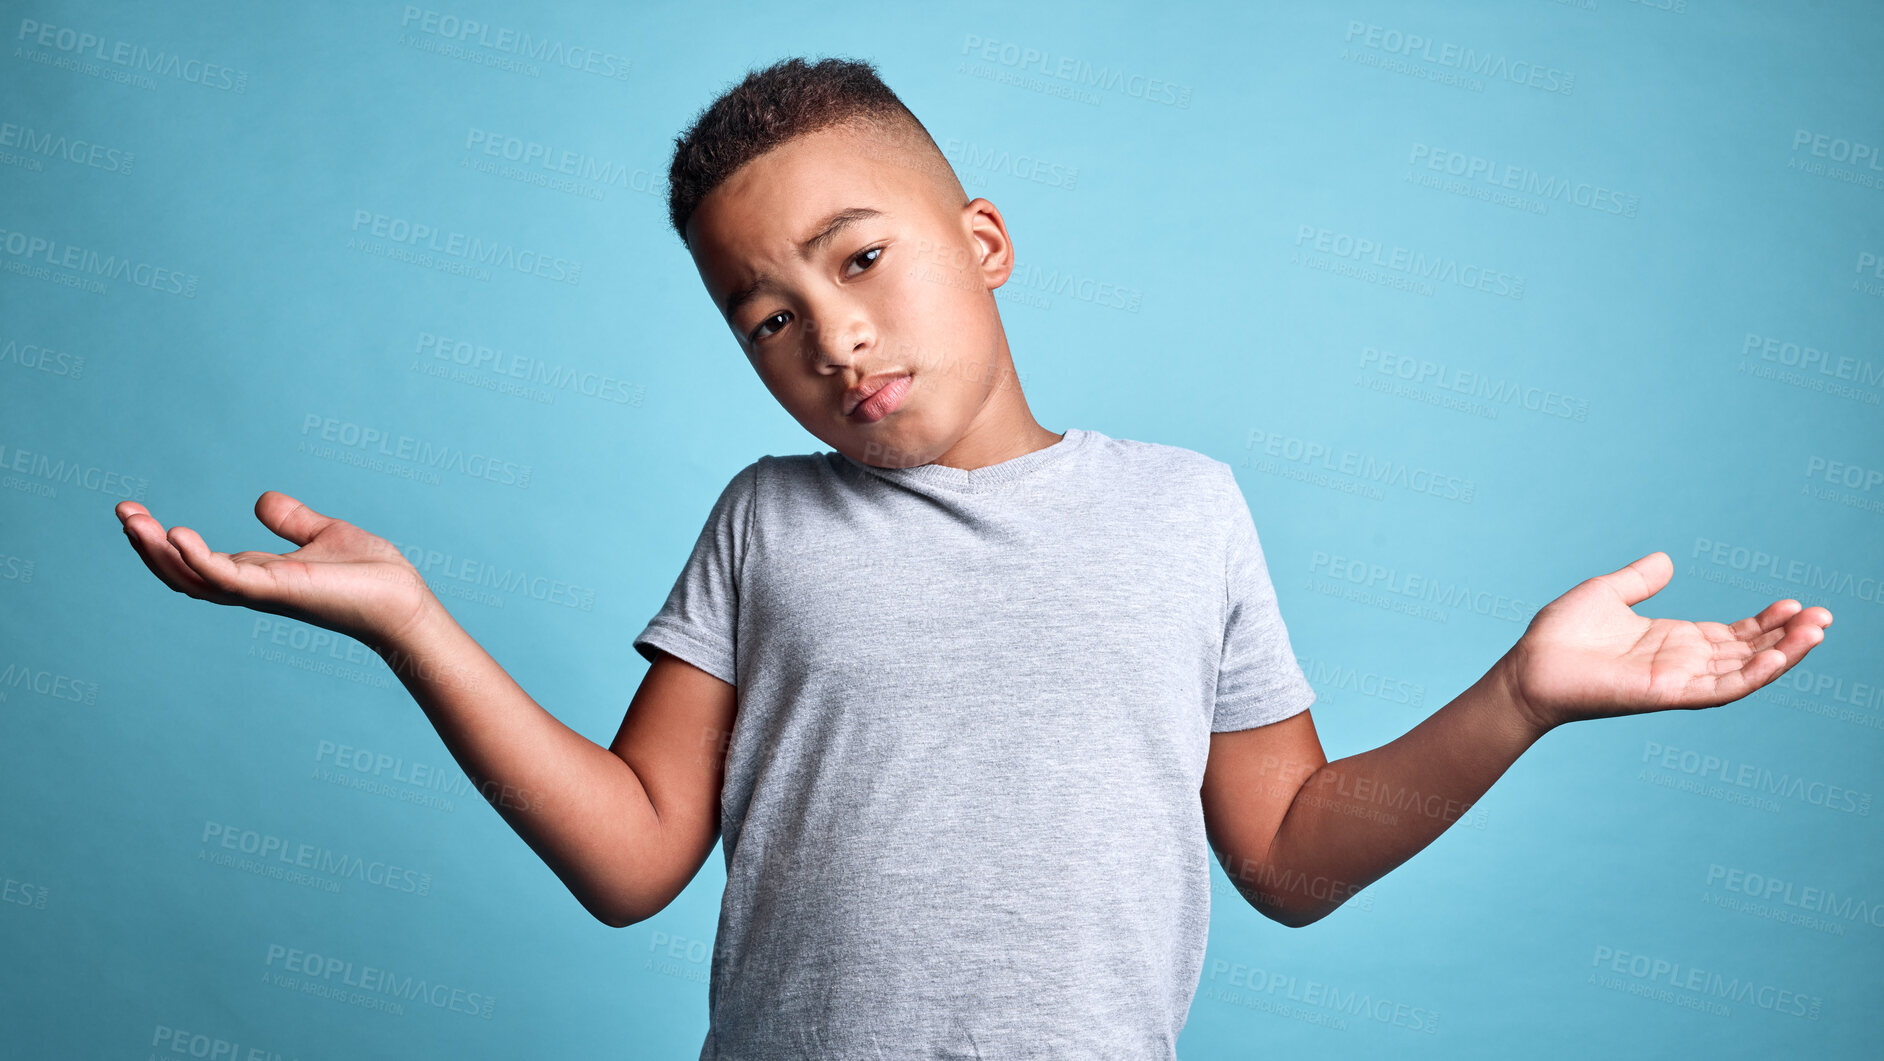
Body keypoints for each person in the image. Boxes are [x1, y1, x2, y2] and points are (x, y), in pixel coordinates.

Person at [115, 55, 1833, 1060]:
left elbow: (1292, 855)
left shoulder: (1186, 509)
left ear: (982, 241)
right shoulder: (764, 521)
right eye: (767, 314)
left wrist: (1517, 698)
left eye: (860, 260)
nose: (831, 337)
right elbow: (638, 854)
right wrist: (409, 619)